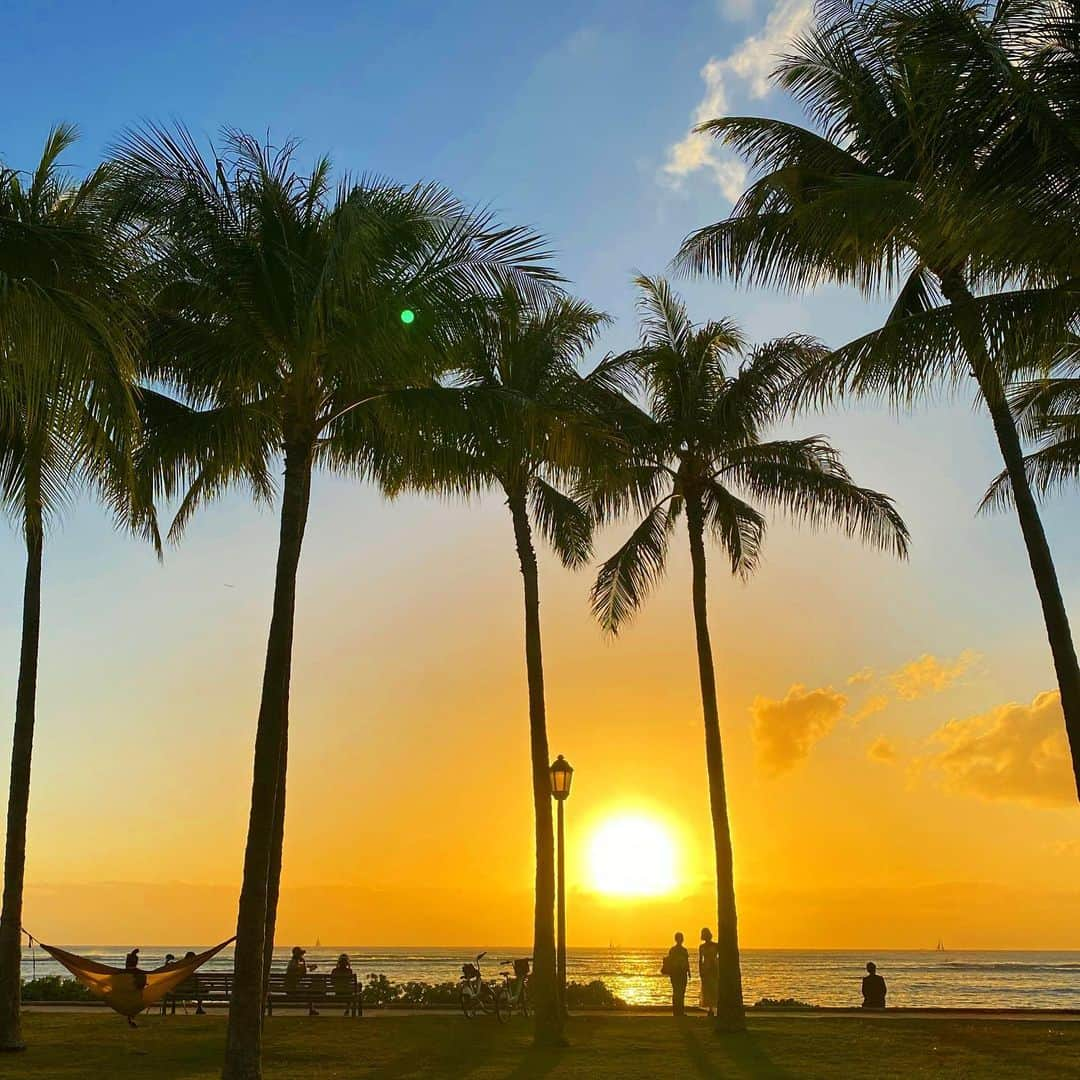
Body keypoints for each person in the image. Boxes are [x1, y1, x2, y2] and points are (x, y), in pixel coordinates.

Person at [664, 932, 691, 1015]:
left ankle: (679, 1011)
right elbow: (671, 961)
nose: (680, 940)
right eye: (679, 938)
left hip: (681, 973)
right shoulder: (674, 950)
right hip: (676, 973)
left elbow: (687, 962)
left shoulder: (683, 950)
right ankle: (677, 1011)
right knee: (677, 991)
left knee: (681, 992)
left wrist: (689, 971)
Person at [698, 928, 719, 1017]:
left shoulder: (716, 945)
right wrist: (701, 970)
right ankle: (710, 1009)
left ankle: (714, 1008)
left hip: (714, 968)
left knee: (714, 988)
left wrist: (716, 964)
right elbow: (700, 960)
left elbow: (720, 955)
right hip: (706, 969)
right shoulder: (701, 947)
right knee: (707, 990)